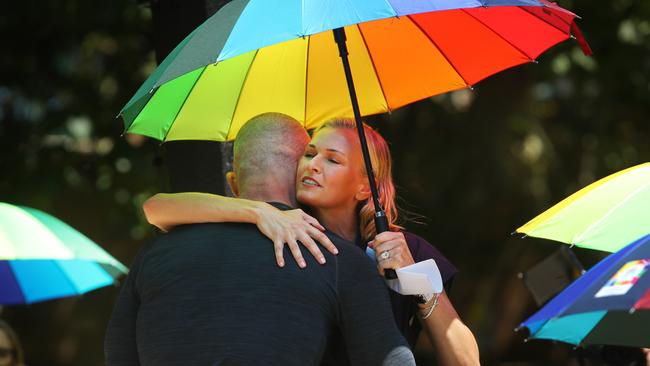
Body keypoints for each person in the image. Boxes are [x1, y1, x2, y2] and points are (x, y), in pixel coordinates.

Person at [144, 118, 480, 365]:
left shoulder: (407, 250)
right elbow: (157, 207)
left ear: (366, 188)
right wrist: (258, 211)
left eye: (332, 160)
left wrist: (419, 285)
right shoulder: (282, 230)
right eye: (309, 153)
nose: (313, 165)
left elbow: (466, 361)